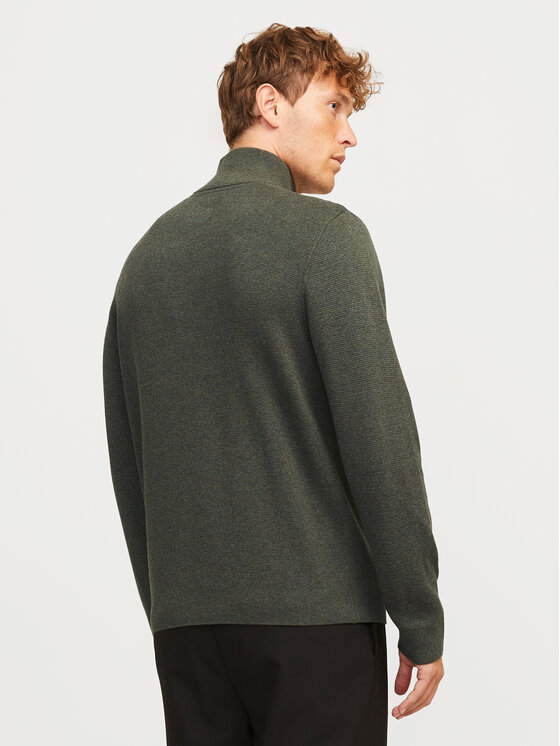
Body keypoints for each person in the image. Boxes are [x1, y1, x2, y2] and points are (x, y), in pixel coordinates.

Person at [102, 22, 445, 746]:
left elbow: (130, 463)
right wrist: (420, 615)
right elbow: (379, 442)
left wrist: (171, 610)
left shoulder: (146, 260)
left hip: (189, 638)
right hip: (317, 626)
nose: (349, 134)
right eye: (334, 106)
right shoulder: (326, 239)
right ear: (270, 104)